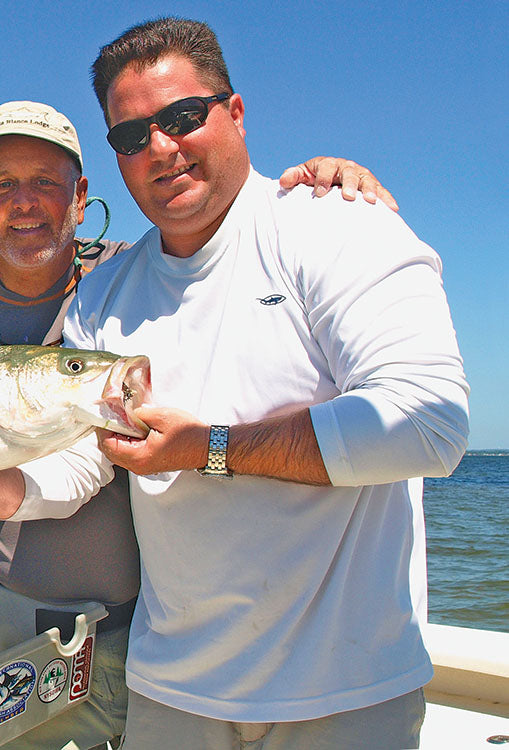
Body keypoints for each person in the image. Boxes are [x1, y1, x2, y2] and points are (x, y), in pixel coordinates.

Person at [0, 100, 397, 749]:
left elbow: (232, 248)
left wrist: (327, 188)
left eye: (45, 182)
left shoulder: (137, 282)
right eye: (1, 186)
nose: (24, 203)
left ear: (80, 196)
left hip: (139, 635)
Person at [30, 17, 467, 749]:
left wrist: (208, 448)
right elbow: (77, 466)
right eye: (131, 137)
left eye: (181, 117)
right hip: (171, 690)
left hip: (346, 689)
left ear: (233, 113)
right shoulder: (101, 295)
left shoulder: (335, 225)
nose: (160, 148)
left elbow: (428, 424)